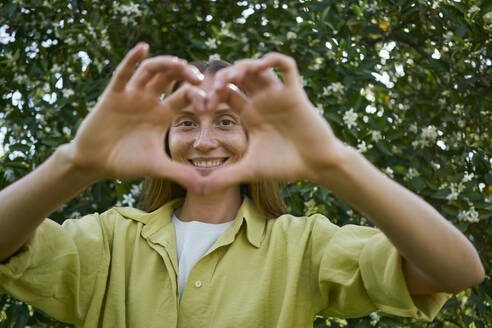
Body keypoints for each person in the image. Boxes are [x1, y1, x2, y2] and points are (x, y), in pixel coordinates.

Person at [0, 42, 485, 328]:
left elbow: (456, 271)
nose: (205, 140)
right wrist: (78, 163)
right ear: (165, 137)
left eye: (227, 122)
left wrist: (334, 163)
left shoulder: (302, 246)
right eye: (186, 123)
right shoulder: (108, 239)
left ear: (256, 138)